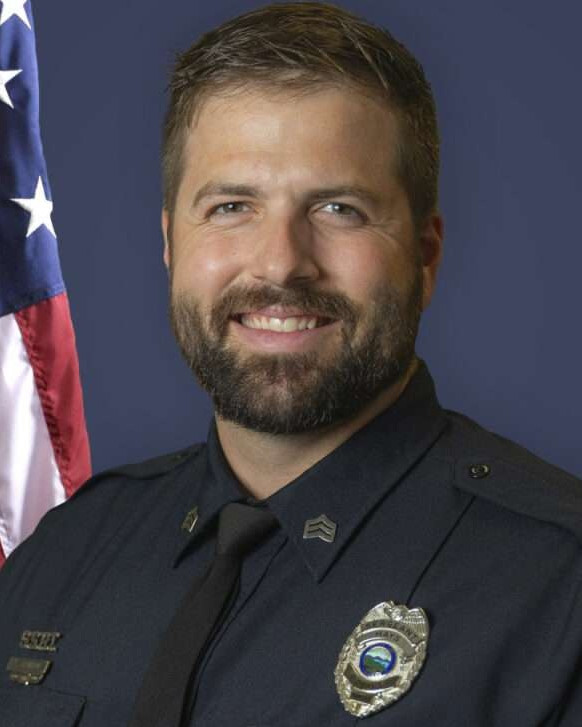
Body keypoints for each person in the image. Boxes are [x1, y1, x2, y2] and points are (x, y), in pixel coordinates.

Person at [1, 2, 581, 725]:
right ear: (171, 244)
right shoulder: (63, 554)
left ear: (425, 255)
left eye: (338, 209)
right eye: (231, 206)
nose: (280, 263)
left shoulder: (560, 592)